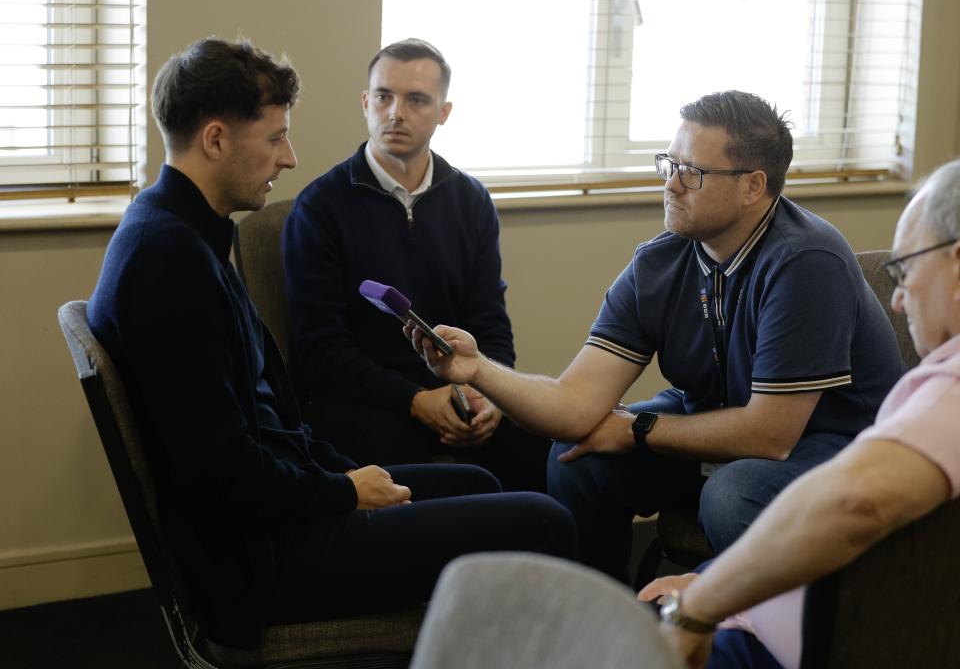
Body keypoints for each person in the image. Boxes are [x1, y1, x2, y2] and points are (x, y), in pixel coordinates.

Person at [86, 37, 577, 650]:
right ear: (215, 140)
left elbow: (255, 430)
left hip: (284, 508)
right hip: (268, 556)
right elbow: (220, 475)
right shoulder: (171, 264)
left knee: (482, 481)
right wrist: (344, 490)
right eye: (274, 139)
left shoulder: (178, 233)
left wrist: (339, 473)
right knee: (544, 520)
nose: (289, 158)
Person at [405, 90, 903, 581]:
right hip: (718, 430)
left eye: (693, 172)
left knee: (733, 493)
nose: (671, 184)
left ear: (753, 186)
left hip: (834, 444)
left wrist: (638, 430)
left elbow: (769, 435)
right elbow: (574, 404)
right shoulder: (660, 262)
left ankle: (738, 635)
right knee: (575, 457)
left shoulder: (806, 260)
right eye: (670, 163)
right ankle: (602, 628)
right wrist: (477, 370)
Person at [635, 159, 960, 668]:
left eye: (906, 269)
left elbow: (854, 501)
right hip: (763, 611)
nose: (897, 299)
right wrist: (710, 578)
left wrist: (698, 606)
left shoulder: (953, 389)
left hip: (787, 644)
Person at [283, 38, 548, 491]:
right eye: (384, 96)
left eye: (416, 100)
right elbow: (318, 350)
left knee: (547, 443)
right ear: (366, 103)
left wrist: (491, 394)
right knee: (429, 477)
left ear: (444, 112)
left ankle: (528, 560)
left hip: (459, 385)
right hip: (362, 401)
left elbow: (490, 324)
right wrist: (416, 400)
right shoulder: (320, 207)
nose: (395, 113)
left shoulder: (471, 201)